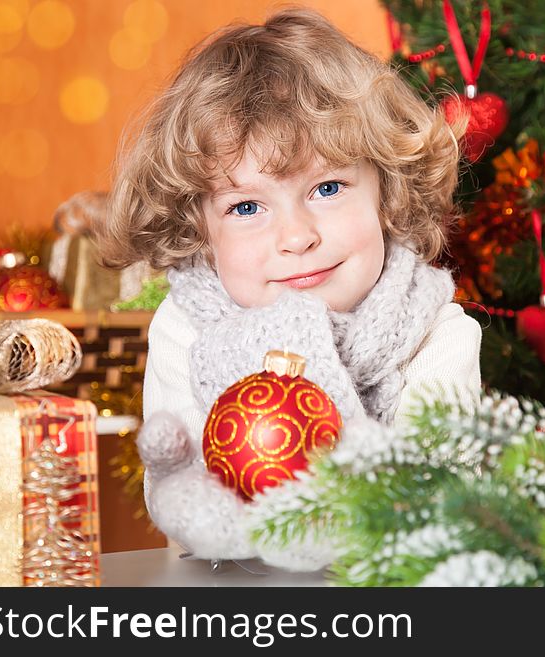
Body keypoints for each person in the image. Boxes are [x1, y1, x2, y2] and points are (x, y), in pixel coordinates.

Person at [95, 8, 481, 566]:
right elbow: (176, 493)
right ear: (200, 229)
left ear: (386, 192)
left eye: (327, 187)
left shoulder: (436, 334)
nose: (297, 236)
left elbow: (436, 505)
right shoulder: (185, 327)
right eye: (246, 206)